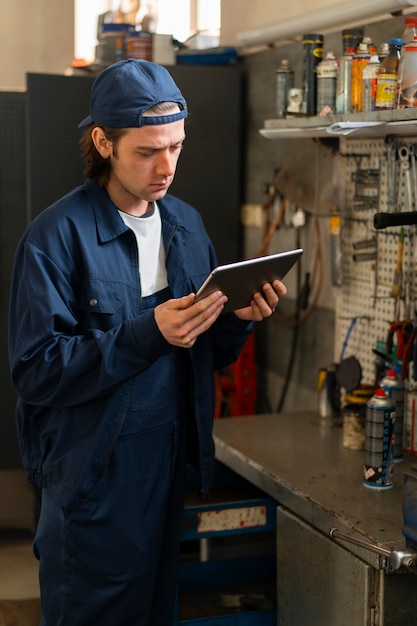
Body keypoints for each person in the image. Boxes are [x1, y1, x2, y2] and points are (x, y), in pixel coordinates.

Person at [8, 59, 286, 626]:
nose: (166, 167)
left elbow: (208, 354)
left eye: (176, 147)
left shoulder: (186, 225)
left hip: (166, 473)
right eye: (147, 151)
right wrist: (146, 333)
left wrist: (239, 318)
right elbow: (36, 369)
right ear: (103, 141)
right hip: (92, 484)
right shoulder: (55, 238)